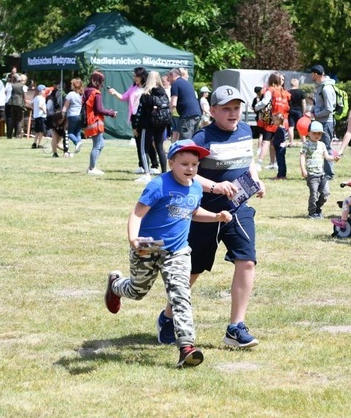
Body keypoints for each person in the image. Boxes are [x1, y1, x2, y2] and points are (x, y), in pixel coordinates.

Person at [104, 140, 233, 367]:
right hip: (148, 245)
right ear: (171, 163)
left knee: (180, 294)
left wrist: (215, 217)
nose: (190, 169)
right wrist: (133, 239)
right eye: (184, 164)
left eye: (194, 164)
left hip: (178, 251)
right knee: (138, 290)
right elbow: (136, 214)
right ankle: (115, 285)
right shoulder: (158, 186)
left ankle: (186, 347)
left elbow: (192, 211)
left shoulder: (194, 187)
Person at [157, 85, 266, 349]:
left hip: (238, 209)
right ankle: (168, 318)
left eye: (236, 108)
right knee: (193, 270)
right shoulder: (202, 137)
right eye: (226, 109)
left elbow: (248, 161)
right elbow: (188, 172)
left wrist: (256, 179)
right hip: (204, 213)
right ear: (213, 110)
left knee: (247, 259)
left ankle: (235, 328)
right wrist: (215, 187)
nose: (232, 114)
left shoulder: (245, 131)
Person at [109, 67, 156, 174]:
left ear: (141, 77)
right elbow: (123, 97)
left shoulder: (148, 88)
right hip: (135, 117)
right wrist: (115, 92)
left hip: (145, 117)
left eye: (136, 76)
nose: (134, 77)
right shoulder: (133, 87)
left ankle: (154, 165)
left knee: (148, 142)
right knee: (138, 141)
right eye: (134, 76)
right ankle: (142, 165)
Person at [133, 70, 170, 183]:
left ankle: (146, 174)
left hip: (148, 125)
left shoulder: (146, 94)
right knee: (160, 147)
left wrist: (135, 126)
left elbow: (140, 112)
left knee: (144, 148)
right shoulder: (164, 93)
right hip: (161, 124)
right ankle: (164, 172)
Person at [300, 121, 338, 218]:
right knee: (314, 195)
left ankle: (318, 207)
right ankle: (312, 212)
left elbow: (327, 157)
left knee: (326, 193)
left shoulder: (322, 144)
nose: (317, 135)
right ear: (308, 133)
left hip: (322, 174)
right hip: (312, 175)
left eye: (319, 133)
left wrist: (334, 158)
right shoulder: (306, 144)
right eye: (314, 133)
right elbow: (302, 157)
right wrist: (303, 169)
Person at [254, 72, 291, 170]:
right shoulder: (286, 93)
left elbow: (264, 102)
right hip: (282, 121)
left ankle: (259, 164)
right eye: (281, 79)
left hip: (271, 121)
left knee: (266, 142)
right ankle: (273, 163)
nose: (282, 81)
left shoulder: (271, 90)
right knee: (275, 143)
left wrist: (256, 107)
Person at [83, 71, 117, 175]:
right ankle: (92, 168)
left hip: (89, 121)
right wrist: (111, 113)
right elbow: (98, 109)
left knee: (101, 144)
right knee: (97, 145)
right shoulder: (96, 93)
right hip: (95, 122)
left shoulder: (87, 91)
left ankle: (91, 166)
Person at [308, 65, 337, 179]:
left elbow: (329, 109)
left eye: (312, 73)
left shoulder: (326, 88)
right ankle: (324, 172)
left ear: (316, 74)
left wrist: (316, 114)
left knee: (326, 147)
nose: (311, 75)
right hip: (320, 121)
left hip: (326, 122)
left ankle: (329, 174)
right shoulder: (320, 87)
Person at [168, 67, 202, 141]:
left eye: (168, 77)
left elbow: (173, 103)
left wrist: (169, 114)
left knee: (185, 140)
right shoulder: (187, 83)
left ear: (173, 75)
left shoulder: (175, 84)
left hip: (187, 116)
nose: (168, 80)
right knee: (194, 139)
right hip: (197, 113)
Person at [62, 78, 84, 154]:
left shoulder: (70, 94)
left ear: (74, 86)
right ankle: (78, 145)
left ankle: (77, 142)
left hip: (72, 115)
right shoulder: (82, 95)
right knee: (78, 132)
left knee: (69, 133)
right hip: (80, 116)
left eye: (72, 84)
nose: (70, 85)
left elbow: (65, 106)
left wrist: (62, 114)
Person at [6, 73, 27, 139]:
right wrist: (25, 103)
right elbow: (24, 97)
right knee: (19, 120)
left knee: (12, 119)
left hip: (12, 103)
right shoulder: (23, 86)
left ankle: (9, 135)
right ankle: (17, 135)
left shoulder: (13, 85)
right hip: (19, 104)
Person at [270, 113, 289, 180]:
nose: (273, 122)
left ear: (279, 120)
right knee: (282, 161)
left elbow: (281, 139)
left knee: (280, 162)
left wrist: (274, 144)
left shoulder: (280, 129)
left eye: (274, 120)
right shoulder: (282, 128)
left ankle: (280, 175)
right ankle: (282, 174)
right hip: (281, 147)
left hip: (280, 148)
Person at [287, 78, 305, 144]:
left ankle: (291, 142)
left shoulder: (288, 92)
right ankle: (303, 141)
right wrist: (304, 111)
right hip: (299, 111)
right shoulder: (301, 92)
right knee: (300, 127)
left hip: (290, 111)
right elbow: (303, 102)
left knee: (291, 127)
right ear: (297, 84)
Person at [30, 84, 47, 150]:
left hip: (36, 116)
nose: (45, 91)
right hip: (41, 116)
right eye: (44, 90)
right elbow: (40, 106)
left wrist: (34, 109)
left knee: (37, 131)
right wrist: (45, 111)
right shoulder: (42, 98)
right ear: (41, 91)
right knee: (41, 131)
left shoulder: (36, 98)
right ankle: (39, 144)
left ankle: (34, 143)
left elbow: (31, 104)